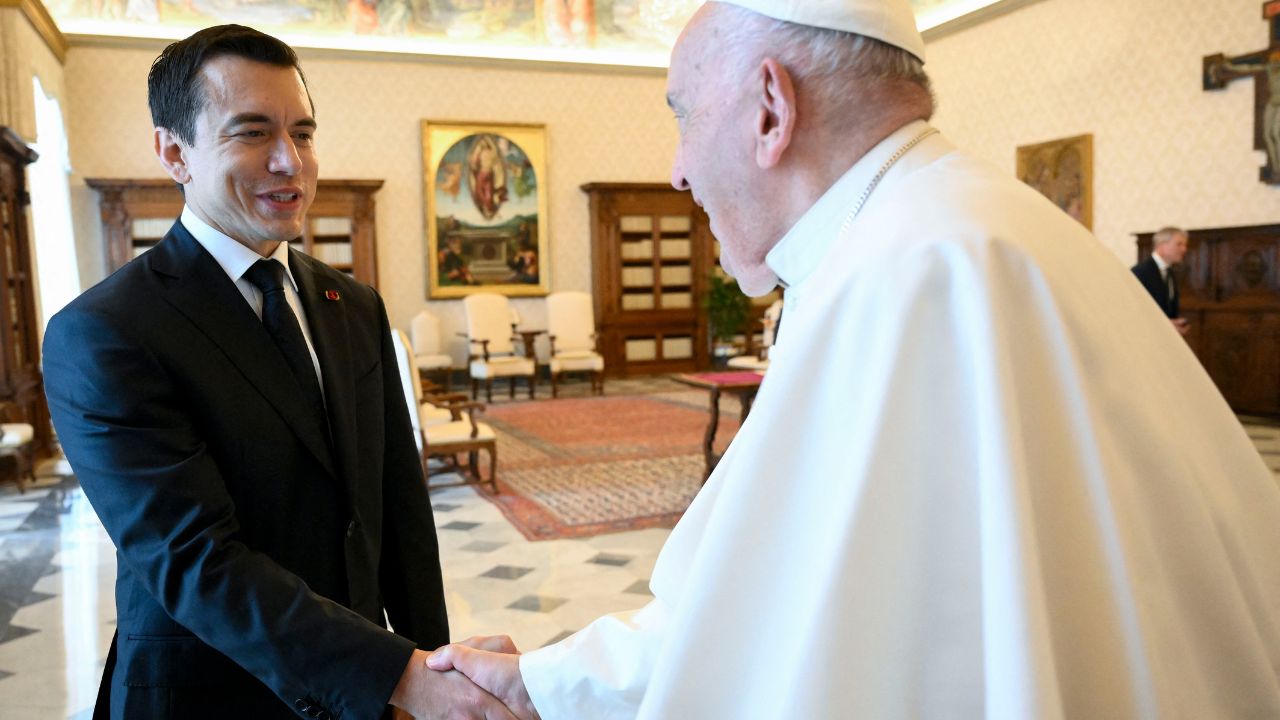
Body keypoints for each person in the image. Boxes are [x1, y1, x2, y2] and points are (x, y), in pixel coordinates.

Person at [427, 1, 1280, 718]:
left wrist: (542, 686)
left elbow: (781, 641)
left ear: (770, 108)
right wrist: (546, 680)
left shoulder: (902, 275)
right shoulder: (987, 224)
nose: (679, 171)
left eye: (682, 117)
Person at [43, 25, 515, 720]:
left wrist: (435, 668)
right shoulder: (106, 332)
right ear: (174, 151)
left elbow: (399, 515)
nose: (289, 162)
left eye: (304, 132)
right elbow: (196, 560)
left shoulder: (353, 305)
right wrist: (400, 677)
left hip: (359, 693)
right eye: (254, 132)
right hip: (206, 695)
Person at [1131, 225, 1189, 334]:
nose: (1184, 249)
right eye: (1179, 244)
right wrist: (1165, 324)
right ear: (1162, 245)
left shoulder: (1170, 272)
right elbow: (1134, 310)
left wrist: (1174, 324)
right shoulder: (1140, 272)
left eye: (1185, 245)